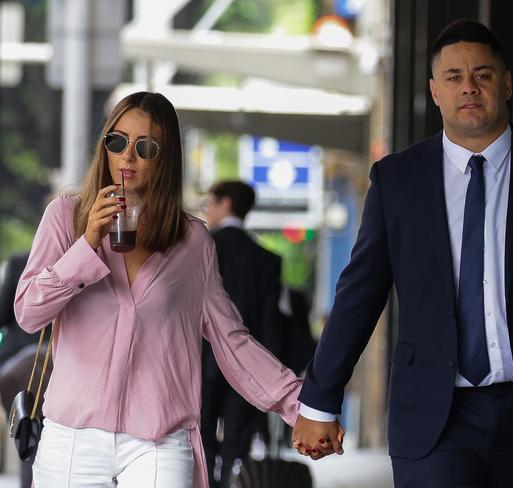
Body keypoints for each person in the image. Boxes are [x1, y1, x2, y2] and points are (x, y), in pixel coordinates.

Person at [291, 18, 513, 488]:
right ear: (434, 91)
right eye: (454, 78)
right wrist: (319, 400)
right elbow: (360, 293)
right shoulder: (397, 180)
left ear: (506, 83)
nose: (469, 88)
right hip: (434, 413)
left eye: (482, 74)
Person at [14, 91, 302, 488]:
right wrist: (87, 245)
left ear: (166, 159)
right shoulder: (66, 216)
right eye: (118, 141)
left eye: (145, 147)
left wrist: (299, 405)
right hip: (72, 438)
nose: (127, 157)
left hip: (158, 443)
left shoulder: (194, 241)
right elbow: (29, 312)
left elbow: (231, 340)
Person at [201, 180, 283, 488]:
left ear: (224, 204)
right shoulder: (267, 260)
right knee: (237, 440)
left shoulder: (201, 247)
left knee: (201, 435)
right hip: (248, 364)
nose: (207, 211)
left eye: (210, 203)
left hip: (200, 359)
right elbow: (271, 322)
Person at [0, 250, 40, 488]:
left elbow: (3, 315)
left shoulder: (20, 260)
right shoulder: (92, 260)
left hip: (20, 370)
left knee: (27, 442)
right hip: (62, 366)